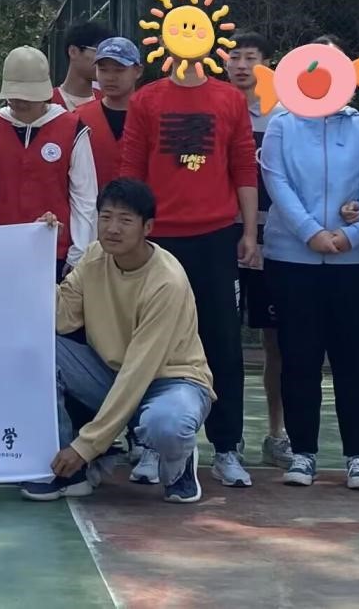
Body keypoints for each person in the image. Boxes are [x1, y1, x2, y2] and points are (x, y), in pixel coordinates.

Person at [118, 38, 260, 488]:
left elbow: (243, 167)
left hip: (215, 238)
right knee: (148, 343)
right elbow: (131, 170)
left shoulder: (228, 99)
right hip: (157, 240)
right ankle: (148, 444)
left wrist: (249, 232)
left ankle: (227, 447)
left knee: (222, 343)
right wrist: (130, 234)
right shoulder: (146, 100)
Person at [20, 179, 214, 503]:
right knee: (39, 350)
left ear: (147, 227)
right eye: (106, 217)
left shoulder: (167, 281)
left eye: (125, 220)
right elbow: (61, 318)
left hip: (170, 381)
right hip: (110, 374)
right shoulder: (94, 257)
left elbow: (139, 371)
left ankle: (178, 463)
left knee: (167, 425)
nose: (112, 228)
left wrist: (85, 446)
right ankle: (66, 471)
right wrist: (38, 255)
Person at [261, 73, 359, 490]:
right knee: (299, 357)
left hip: (356, 261)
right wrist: (310, 232)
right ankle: (303, 453)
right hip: (291, 258)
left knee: (355, 360)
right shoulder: (282, 124)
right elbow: (276, 182)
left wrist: (353, 234)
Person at [225, 31, 291, 468]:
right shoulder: (214, 108)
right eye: (235, 57)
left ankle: (277, 433)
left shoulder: (285, 114)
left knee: (276, 343)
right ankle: (226, 436)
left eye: (251, 57)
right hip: (222, 238)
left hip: (277, 242)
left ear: (267, 65)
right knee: (220, 340)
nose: (242, 65)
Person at [0, 45, 97, 280]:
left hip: (55, 251)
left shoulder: (71, 128)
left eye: (28, 97)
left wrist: (79, 252)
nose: (21, 102)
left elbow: (84, 196)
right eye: (15, 96)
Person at [75, 37, 141, 192]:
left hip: (140, 205)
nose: (110, 77)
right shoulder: (79, 118)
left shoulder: (150, 117)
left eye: (119, 70)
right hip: (91, 204)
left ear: (138, 71)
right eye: (103, 70)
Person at [52, 19, 114, 111]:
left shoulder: (109, 102)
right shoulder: (47, 104)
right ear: (73, 52)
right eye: (98, 51)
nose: (104, 59)